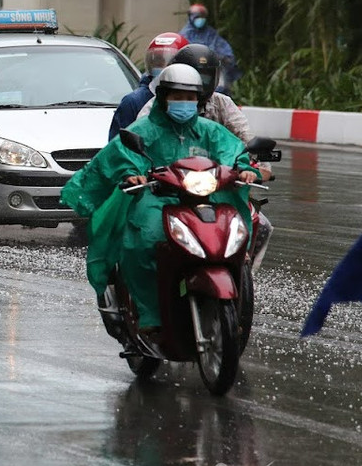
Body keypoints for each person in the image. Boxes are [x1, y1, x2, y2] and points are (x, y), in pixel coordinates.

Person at [61, 64, 260, 337]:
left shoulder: (209, 130)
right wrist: (132, 174)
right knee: (144, 241)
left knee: (231, 234)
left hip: (203, 199)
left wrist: (247, 168)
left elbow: (235, 152)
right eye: (177, 97)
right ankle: (149, 312)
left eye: (190, 98)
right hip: (157, 200)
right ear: (164, 97)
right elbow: (122, 155)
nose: (184, 103)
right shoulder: (145, 129)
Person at [108, 32, 187, 139]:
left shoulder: (197, 100)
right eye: (158, 62)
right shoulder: (134, 102)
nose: (163, 68)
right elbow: (117, 146)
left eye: (169, 63)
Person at [180, 4, 239, 93]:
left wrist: (223, 58)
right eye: (197, 17)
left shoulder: (211, 34)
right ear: (190, 17)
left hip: (211, 70)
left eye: (203, 17)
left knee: (221, 89)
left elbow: (226, 53)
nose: (200, 19)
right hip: (191, 72)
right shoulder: (184, 35)